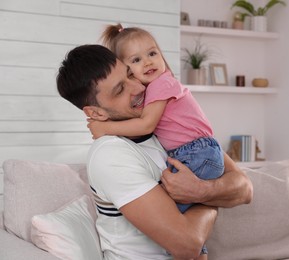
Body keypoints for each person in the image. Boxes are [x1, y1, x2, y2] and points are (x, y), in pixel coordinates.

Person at [56, 44, 253, 260]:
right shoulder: (110, 154)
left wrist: (202, 190)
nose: (139, 88)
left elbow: (245, 189)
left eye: (131, 74)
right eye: (120, 90)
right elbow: (187, 244)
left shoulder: (164, 121)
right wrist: (210, 195)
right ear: (96, 112)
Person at [88, 25, 224, 215]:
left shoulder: (161, 84)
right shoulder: (156, 88)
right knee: (176, 211)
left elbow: (146, 125)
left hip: (196, 153)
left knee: (172, 214)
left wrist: (105, 128)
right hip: (196, 152)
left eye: (152, 53)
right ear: (126, 70)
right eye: (136, 59)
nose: (148, 62)